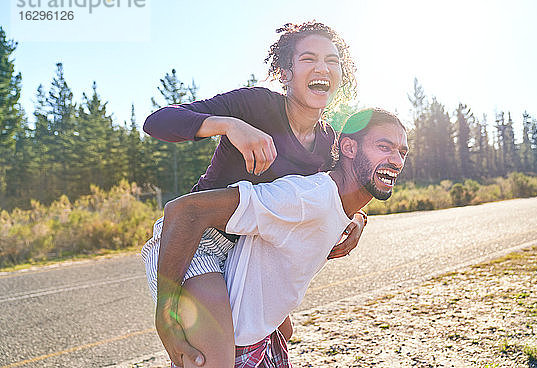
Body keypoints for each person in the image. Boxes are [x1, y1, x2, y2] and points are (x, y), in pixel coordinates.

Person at [141, 22, 368, 367]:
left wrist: (357, 219)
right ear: (286, 72)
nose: (322, 68)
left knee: (282, 336)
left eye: (332, 61)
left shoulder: (327, 144)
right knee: (214, 359)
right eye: (308, 58)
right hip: (194, 238)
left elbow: (342, 190)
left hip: (253, 256)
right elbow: (159, 121)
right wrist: (228, 125)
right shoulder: (254, 106)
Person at [157, 108, 409, 367]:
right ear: (349, 148)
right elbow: (185, 210)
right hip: (232, 341)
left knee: (287, 332)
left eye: (402, 152)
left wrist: (358, 217)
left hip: (264, 334)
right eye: (384, 147)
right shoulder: (307, 198)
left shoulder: (338, 204)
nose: (397, 161)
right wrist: (164, 314)